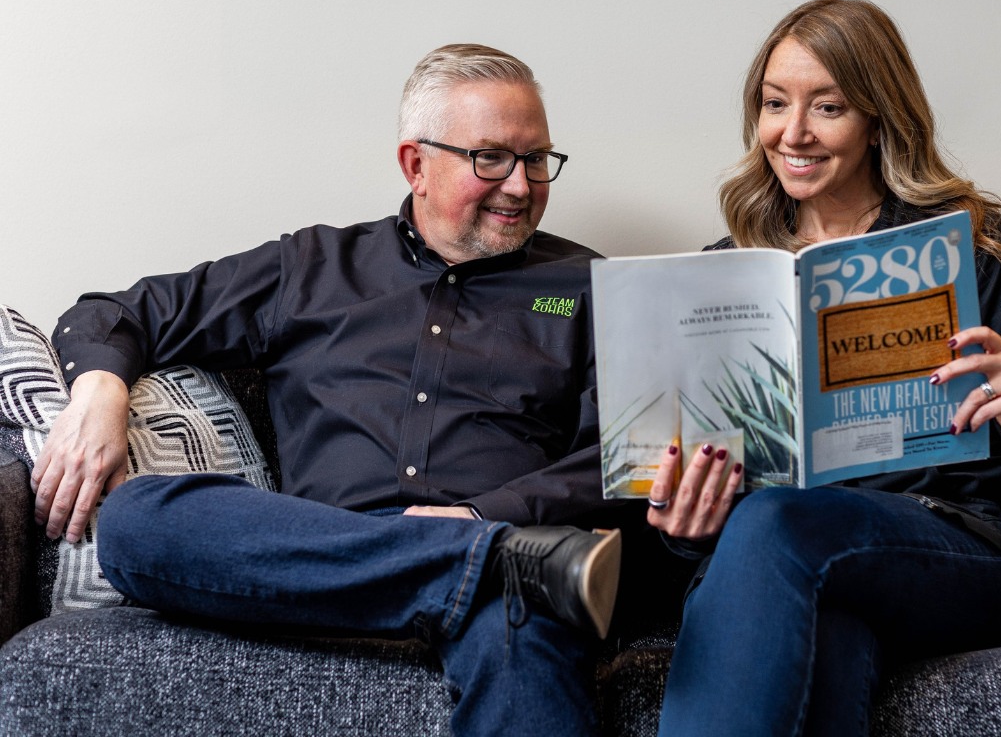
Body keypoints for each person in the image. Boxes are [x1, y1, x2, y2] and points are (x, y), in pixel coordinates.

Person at [31, 43, 627, 736]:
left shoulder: (590, 288)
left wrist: (480, 516)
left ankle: (477, 562)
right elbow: (119, 311)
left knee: (527, 624)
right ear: (416, 163)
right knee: (136, 522)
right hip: (323, 560)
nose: (521, 186)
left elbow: (618, 459)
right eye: (491, 158)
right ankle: (481, 565)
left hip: (501, 582)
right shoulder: (313, 268)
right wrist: (99, 393)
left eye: (536, 160)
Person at [646, 0, 1001, 737]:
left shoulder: (971, 250)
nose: (792, 133)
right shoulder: (728, 276)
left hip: (962, 549)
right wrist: (685, 526)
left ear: (876, 116)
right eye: (773, 104)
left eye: (827, 106)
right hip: (799, 560)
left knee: (774, 524)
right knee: (827, 623)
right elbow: (705, 502)